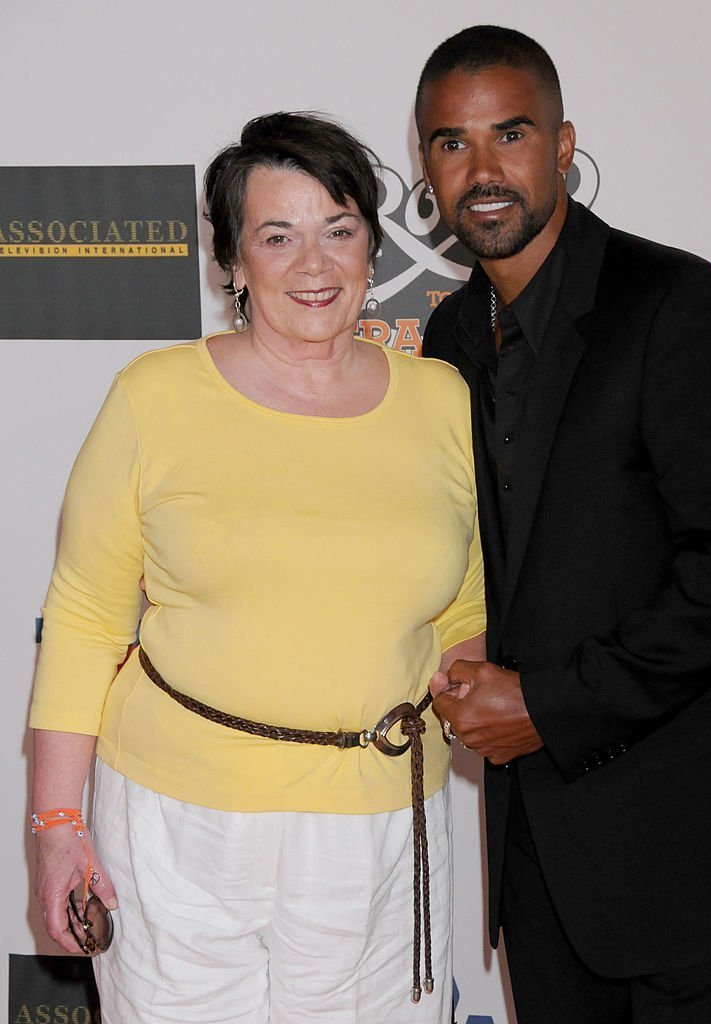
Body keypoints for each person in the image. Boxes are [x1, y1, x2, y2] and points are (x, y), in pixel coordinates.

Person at [29, 111, 485, 1024]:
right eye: (277, 236)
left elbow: (465, 604)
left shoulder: (443, 399)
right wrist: (54, 827)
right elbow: (84, 620)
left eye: (339, 230)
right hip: (178, 827)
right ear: (231, 262)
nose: (313, 265)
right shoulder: (154, 398)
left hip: (385, 828)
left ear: (372, 248)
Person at [417, 24, 711, 1023]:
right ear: (426, 166)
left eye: (511, 133)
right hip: (536, 854)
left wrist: (548, 701)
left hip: (682, 845)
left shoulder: (685, 307)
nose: (485, 169)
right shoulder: (451, 335)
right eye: (453, 143)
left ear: (564, 143)